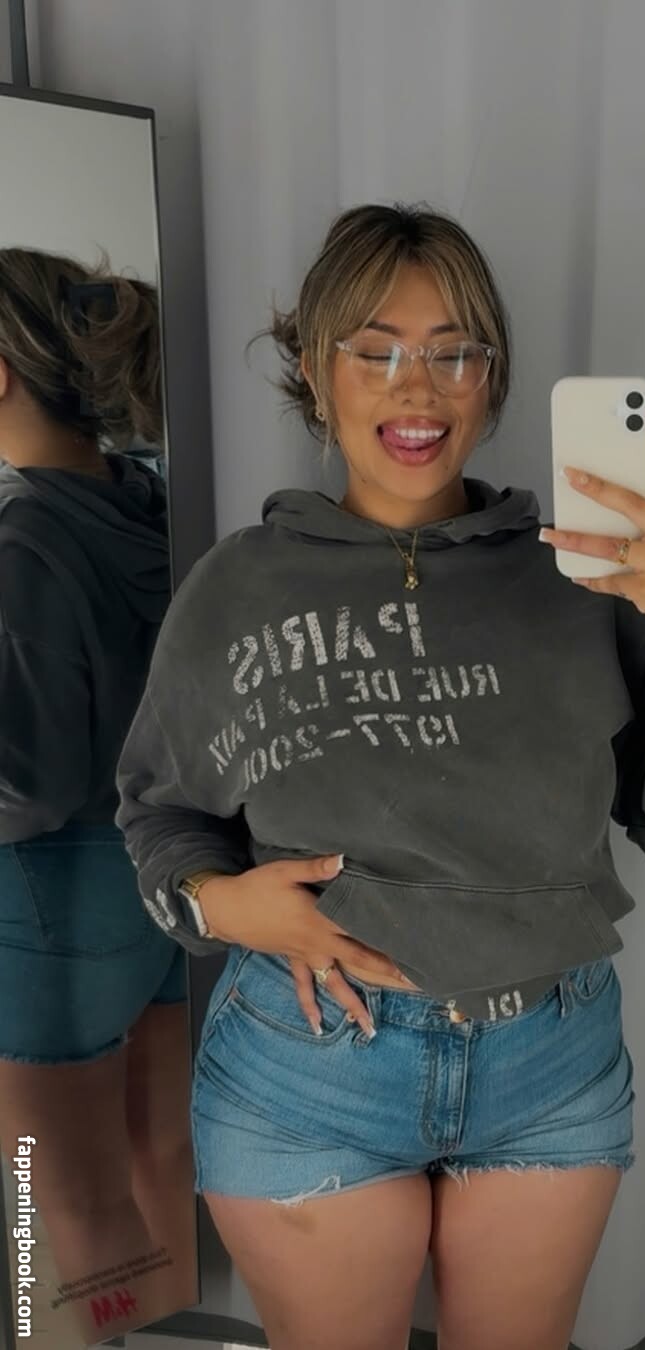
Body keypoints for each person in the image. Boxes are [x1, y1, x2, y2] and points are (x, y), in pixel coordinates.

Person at [116, 203, 645, 1350]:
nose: (415, 389)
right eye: (374, 352)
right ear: (317, 372)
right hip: (309, 1070)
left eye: (452, 352)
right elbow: (160, 814)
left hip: (548, 1065)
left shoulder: (589, 578)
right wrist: (218, 906)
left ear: (492, 376)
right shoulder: (236, 591)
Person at [0, 247, 195, 1337]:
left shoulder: (21, 532)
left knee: (57, 1200)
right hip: (156, 886)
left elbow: (22, 783)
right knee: (159, 1157)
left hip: (50, 910)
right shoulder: (150, 497)